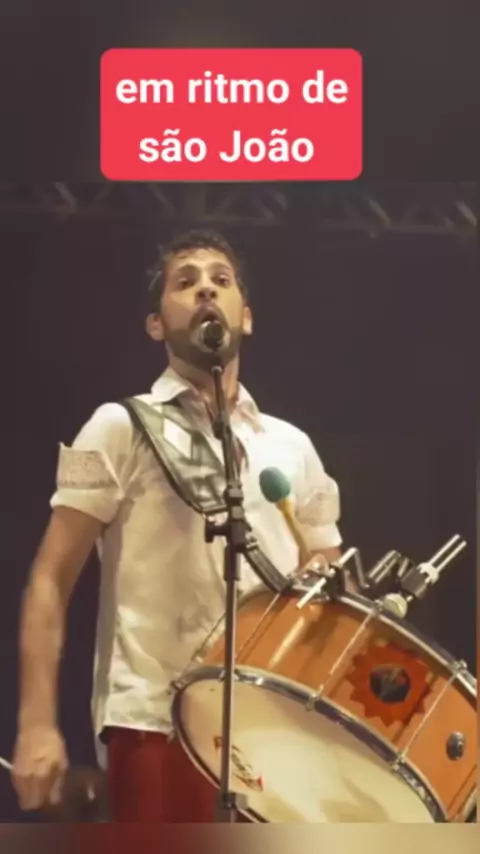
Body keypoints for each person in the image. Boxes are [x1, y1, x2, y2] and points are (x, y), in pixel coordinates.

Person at [12, 229, 342, 823]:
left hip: (276, 728)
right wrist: (37, 723)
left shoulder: (292, 446)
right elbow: (50, 580)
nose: (206, 291)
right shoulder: (118, 426)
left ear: (246, 317)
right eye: (185, 282)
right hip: (155, 721)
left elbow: (326, 571)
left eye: (221, 280)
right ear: (156, 324)